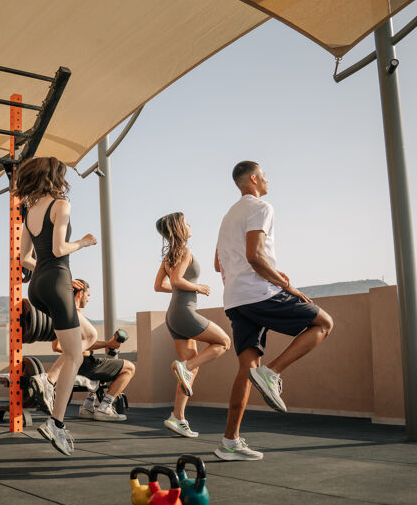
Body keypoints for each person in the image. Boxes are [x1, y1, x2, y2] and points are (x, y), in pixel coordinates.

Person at [213, 161, 334, 461]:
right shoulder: (261, 207)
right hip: (258, 293)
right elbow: (254, 256)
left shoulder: (228, 216)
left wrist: (258, 276)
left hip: (235, 300)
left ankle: (229, 442)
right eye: (264, 175)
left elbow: (218, 264)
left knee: (247, 370)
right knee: (323, 323)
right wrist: (286, 285)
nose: (268, 180)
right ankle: (272, 372)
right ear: (253, 179)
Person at [16, 157, 97, 455]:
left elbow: (24, 258)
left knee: (83, 339)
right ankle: (56, 423)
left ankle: (49, 380)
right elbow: (59, 248)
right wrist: (85, 242)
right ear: (54, 177)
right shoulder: (61, 205)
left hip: (38, 285)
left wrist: (49, 273)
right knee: (75, 355)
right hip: (56, 283)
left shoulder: (30, 212)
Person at [154, 212, 231, 438]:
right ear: (179, 227)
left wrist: (182, 288)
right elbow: (176, 280)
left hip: (174, 315)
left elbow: (160, 285)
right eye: (186, 223)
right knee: (223, 342)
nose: (190, 225)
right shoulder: (184, 252)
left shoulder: (170, 255)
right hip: (184, 313)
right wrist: (198, 287)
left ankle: (177, 418)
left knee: (191, 367)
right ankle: (185, 368)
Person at [34, 278, 135, 422]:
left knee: (105, 367)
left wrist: (106, 344)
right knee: (129, 368)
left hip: (79, 365)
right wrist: (108, 343)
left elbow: (58, 346)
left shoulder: (64, 315)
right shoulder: (75, 315)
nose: (88, 299)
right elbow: (75, 343)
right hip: (85, 365)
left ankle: (88, 406)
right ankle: (104, 407)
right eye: (88, 295)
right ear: (80, 294)